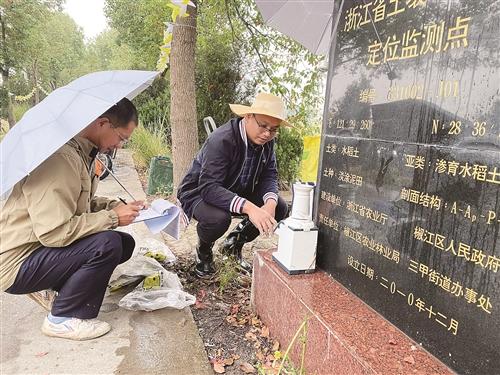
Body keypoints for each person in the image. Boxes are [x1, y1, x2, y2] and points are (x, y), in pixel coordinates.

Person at [0, 98, 144, 341]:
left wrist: (115, 207)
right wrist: (111, 218)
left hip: (39, 250)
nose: (119, 146)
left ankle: (67, 295)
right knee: (107, 244)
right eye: (121, 138)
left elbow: (78, 204)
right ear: (103, 124)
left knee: (123, 243)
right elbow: (54, 232)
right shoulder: (60, 159)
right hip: (18, 263)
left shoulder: (82, 152)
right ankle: (62, 319)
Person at [177, 92, 290, 278]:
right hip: (199, 191)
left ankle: (233, 244)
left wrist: (269, 205)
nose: (267, 133)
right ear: (248, 117)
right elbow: (209, 187)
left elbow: (269, 175)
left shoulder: (267, 142)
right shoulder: (222, 139)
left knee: (279, 206)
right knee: (218, 219)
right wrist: (250, 208)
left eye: (274, 129)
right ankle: (203, 250)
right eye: (263, 126)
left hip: (238, 189)